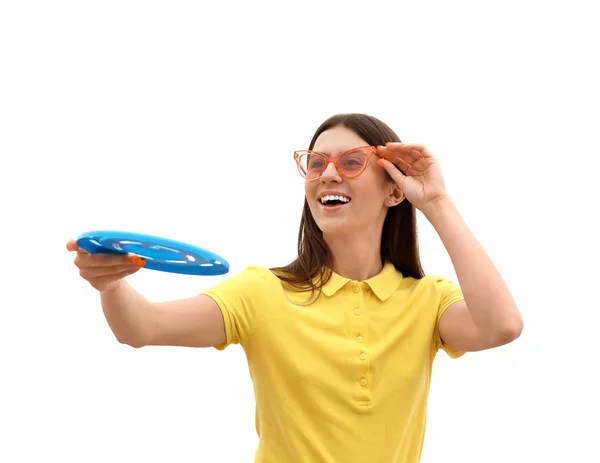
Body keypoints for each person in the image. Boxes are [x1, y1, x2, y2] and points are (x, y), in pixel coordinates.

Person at [67, 113, 523, 462]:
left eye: (351, 162)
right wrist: (111, 285)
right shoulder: (263, 292)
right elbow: (141, 327)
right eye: (317, 163)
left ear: (394, 190)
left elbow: (501, 325)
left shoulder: (428, 302)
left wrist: (438, 202)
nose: (328, 174)